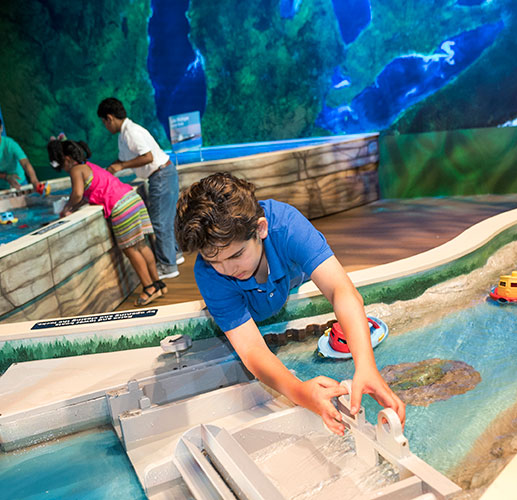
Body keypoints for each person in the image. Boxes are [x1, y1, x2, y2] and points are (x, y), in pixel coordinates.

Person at [174, 172, 405, 435]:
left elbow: (340, 290)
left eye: (236, 254)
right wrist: (299, 391)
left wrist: (366, 365)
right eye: (215, 260)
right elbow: (251, 349)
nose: (227, 269)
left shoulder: (286, 225)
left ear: (260, 229)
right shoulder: (209, 274)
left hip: (292, 282)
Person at [47, 135, 165, 306]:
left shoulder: (75, 170)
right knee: (142, 245)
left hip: (120, 206)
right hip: (132, 199)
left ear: (67, 159)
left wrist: (67, 208)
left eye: (62, 164)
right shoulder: (90, 166)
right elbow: (89, 193)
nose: (65, 169)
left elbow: (78, 194)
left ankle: (148, 287)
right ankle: (158, 283)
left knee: (131, 250)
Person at [96, 97, 181, 280]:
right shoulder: (124, 134)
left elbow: (147, 157)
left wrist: (123, 166)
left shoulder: (131, 132)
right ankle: (174, 256)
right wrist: (110, 169)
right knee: (165, 220)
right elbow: (123, 159)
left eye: (104, 122)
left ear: (109, 118)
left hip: (161, 175)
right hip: (163, 174)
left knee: (159, 223)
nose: (105, 126)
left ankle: (168, 266)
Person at [0, 112, 42, 193]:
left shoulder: (11, 144)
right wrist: (5, 176)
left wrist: (34, 181)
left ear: (1, 128)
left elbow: (25, 163)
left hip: (19, 183)